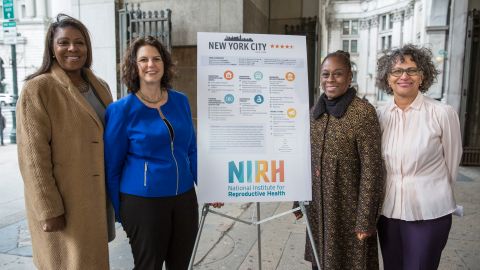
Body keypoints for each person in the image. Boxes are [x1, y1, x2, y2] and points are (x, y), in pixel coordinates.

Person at [105, 36, 222, 269]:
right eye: (143, 59)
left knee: (181, 264)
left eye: (156, 58)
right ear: (133, 66)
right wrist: (120, 212)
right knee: (149, 265)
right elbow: (112, 166)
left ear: (165, 64)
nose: (151, 64)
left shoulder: (180, 101)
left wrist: (208, 187)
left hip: (184, 199)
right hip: (143, 203)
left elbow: (191, 149)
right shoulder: (121, 110)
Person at [16, 14, 114, 269]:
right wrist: (48, 208)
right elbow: (33, 158)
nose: (73, 48)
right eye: (64, 42)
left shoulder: (99, 86)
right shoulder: (38, 89)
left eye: (79, 42)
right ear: (51, 47)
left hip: (95, 199)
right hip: (65, 202)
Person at [294, 50, 384, 270]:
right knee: (320, 259)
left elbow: (372, 169)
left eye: (338, 74)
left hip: (349, 209)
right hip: (318, 208)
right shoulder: (315, 112)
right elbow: (305, 159)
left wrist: (365, 218)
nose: (330, 80)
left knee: (351, 262)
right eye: (326, 74)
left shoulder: (363, 112)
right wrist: (298, 200)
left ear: (349, 77)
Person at [375, 44, 462, 270]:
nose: (404, 76)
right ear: (388, 78)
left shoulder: (442, 113)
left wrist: (435, 190)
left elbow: (452, 163)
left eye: (412, 70)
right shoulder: (379, 115)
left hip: (430, 211)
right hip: (389, 210)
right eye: (397, 71)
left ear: (422, 76)